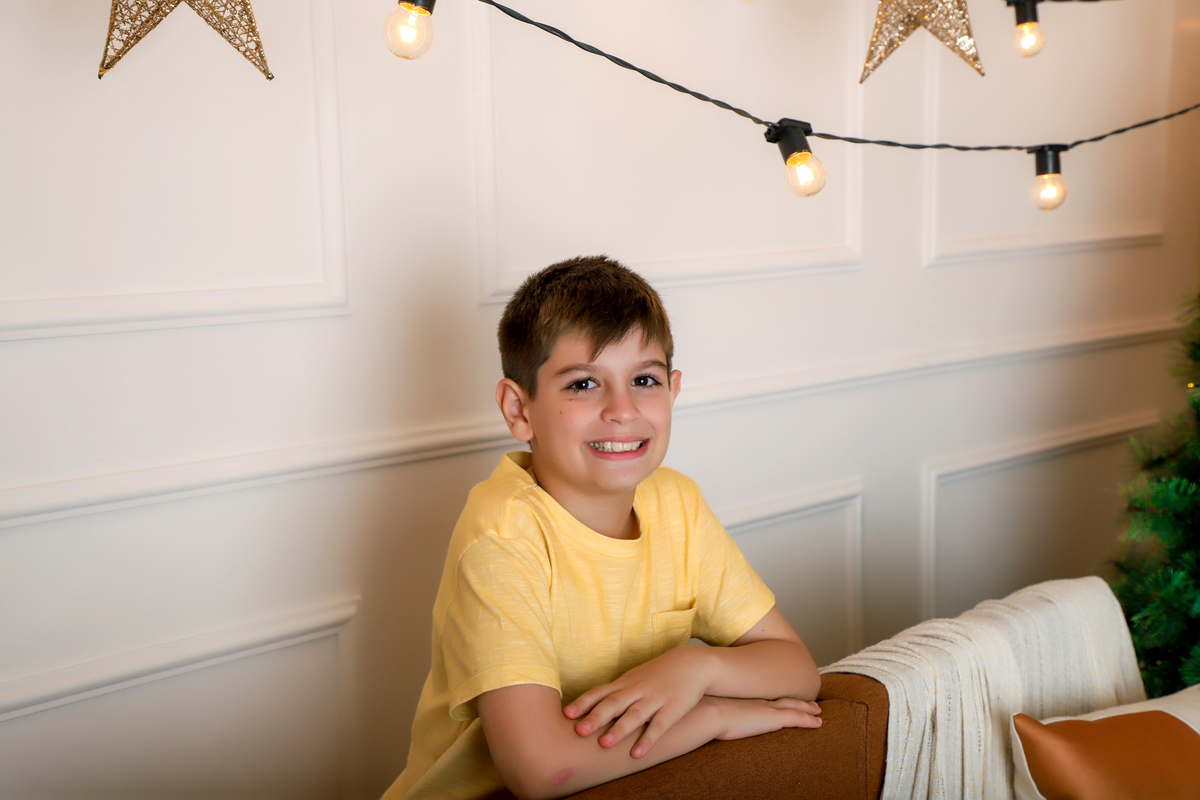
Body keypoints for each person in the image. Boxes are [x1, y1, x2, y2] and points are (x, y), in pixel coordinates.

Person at [385, 256, 822, 800]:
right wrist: (712, 714)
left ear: (673, 391)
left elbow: (798, 669)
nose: (622, 409)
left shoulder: (677, 503)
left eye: (644, 380)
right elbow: (541, 770)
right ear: (519, 409)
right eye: (584, 383)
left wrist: (698, 666)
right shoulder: (503, 536)